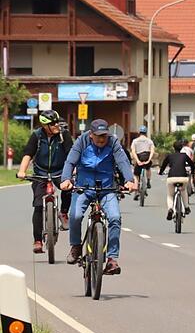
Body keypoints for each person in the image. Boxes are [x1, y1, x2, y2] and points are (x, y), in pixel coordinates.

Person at [60, 119, 136, 273]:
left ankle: (111, 259)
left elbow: (123, 161)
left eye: (104, 136)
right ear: (91, 135)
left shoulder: (113, 142)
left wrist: (129, 180)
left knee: (115, 217)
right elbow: (70, 161)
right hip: (84, 186)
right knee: (75, 215)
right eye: (98, 136)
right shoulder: (82, 141)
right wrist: (66, 179)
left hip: (107, 188)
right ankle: (75, 247)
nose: (102, 139)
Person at [16, 110, 73, 253]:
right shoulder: (36, 135)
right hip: (40, 172)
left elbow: (71, 154)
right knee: (38, 206)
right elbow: (28, 154)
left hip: (60, 171)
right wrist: (22, 171)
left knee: (68, 187)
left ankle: (64, 213)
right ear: (44, 125)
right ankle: (37, 241)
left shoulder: (63, 135)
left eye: (57, 122)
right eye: (52, 123)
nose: (56, 125)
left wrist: (73, 170)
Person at [159, 141, 195, 220]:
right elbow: (192, 164)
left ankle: (170, 209)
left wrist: (161, 172)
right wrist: (192, 172)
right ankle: (186, 207)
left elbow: (164, 165)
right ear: (182, 148)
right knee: (183, 190)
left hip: (171, 178)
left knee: (170, 195)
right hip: (183, 178)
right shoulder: (184, 155)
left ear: (173, 148)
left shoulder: (169, 156)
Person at [131, 126, 155, 200]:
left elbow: (133, 151)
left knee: (136, 174)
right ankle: (148, 181)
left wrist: (137, 161)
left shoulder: (135, 141)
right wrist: (149, 160)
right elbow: (152, 151)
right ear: (146, 132)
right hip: (147, 157)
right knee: (148, 168)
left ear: (139, 132)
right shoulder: (149, 141)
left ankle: (136, 188)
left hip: (139, 157)